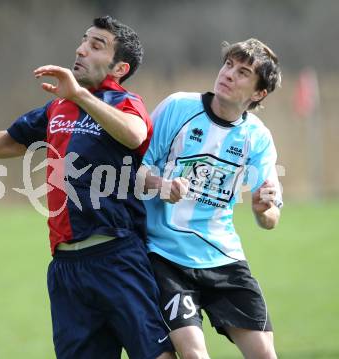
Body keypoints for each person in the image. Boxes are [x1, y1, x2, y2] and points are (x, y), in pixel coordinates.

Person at [0, 16, 174, 359]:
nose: (81, 49)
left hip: (116, 258)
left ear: (119, 68)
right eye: (84, 40)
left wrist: (81, 95)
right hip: (66, 267)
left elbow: (134, 134)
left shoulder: (124, 102)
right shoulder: (58, 106)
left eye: (96, 45)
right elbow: (14, 139)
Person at [141, 38, 282, 359]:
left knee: (265, 354)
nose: (229, 74)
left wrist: (264, 208)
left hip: (224, 258)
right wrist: (161, 185)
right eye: (228, 65)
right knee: (193, 354)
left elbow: (270, 218)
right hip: (166, 257)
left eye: (243, 72)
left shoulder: (257, 137)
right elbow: (135, 170)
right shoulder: (178, 107)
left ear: (259, 93)